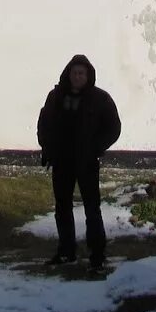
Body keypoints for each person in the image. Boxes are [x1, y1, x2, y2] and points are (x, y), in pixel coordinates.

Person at [36, 53, 121, 270]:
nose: (77, 77)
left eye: (82, 73)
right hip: (62, 161)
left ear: (88, 75)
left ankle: (97, 254)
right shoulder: (55, 97)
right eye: (74, 73)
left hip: (86, 161)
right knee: (62, 207)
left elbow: (113, 127)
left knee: (92, 208)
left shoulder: (100, 99)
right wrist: (46, 147)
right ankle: (66, 251)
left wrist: (96, 147)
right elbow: (44, 122)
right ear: (68, 74)